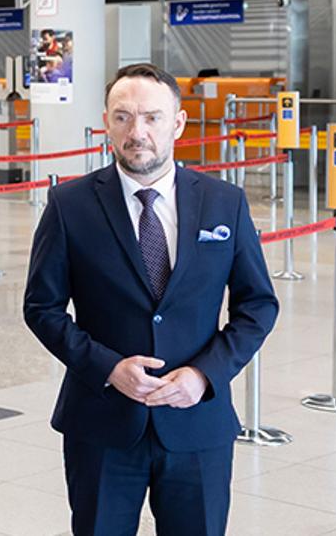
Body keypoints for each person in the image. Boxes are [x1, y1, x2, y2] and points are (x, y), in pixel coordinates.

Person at [24, 63, 278, 536]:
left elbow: (258, 305)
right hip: (101, 423)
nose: (136, 132)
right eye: (122, 117)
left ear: (178, 124)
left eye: (152, 117)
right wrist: (107, 368)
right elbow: (41, 308)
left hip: (197, 423)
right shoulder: (70, 205)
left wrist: (206, 375)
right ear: (105, 122)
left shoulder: (225, 202)